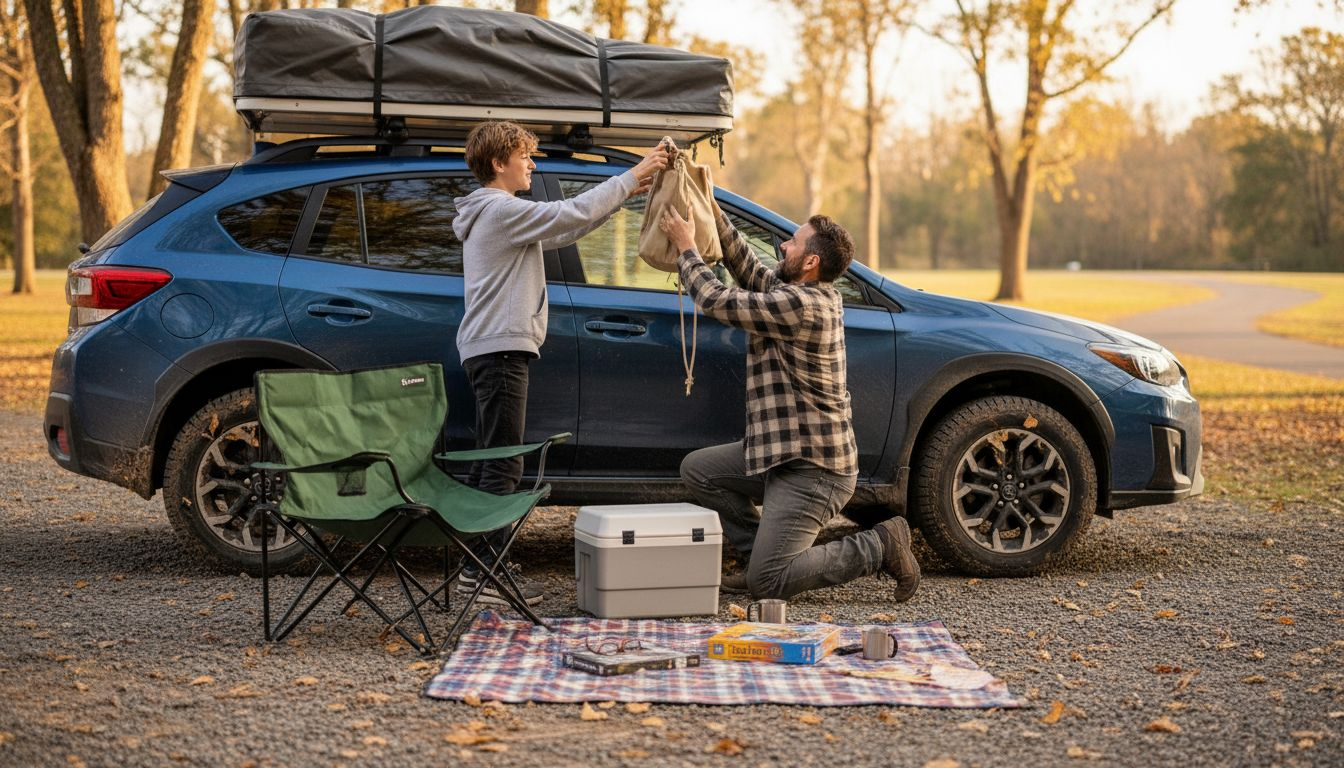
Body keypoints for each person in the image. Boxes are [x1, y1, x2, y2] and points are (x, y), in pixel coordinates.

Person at [658, 203, 920, 603]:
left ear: (810, 261)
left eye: (792, 242)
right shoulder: (800, 292)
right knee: (700, 471)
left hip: (815, 470)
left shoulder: (801, 306)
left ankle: (880, 545)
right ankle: (760, 556)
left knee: (770, 584)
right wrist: (709, 203)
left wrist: (687, 247)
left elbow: (714, 300)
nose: (782, 246)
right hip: (783, 454)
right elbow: (750, 269)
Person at [452, 121, 668, 605]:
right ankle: (481, 574)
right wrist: (632, 176)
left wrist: (625, 194)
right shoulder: (500, 210)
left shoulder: (498, 214)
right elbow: (567, 212)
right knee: (505, 464)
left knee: (493, 458)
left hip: (493, 348)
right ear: (497, 164)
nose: (532, 164)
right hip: (500, 350)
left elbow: (569, 225)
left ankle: (478, 567)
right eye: (524, 156)